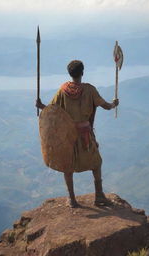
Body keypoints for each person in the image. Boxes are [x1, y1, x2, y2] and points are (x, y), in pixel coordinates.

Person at [36, 60, 119, 208]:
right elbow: (105, 106)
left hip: (68, 136)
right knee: (96, 163)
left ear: (70, 73)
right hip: (85, 135)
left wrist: (41, 106)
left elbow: (52, 109)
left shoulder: (63, 90)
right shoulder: (90, 90)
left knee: (67, 166)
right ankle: (99, 195)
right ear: (82, 72)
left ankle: (72, 199)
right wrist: (114, 104)